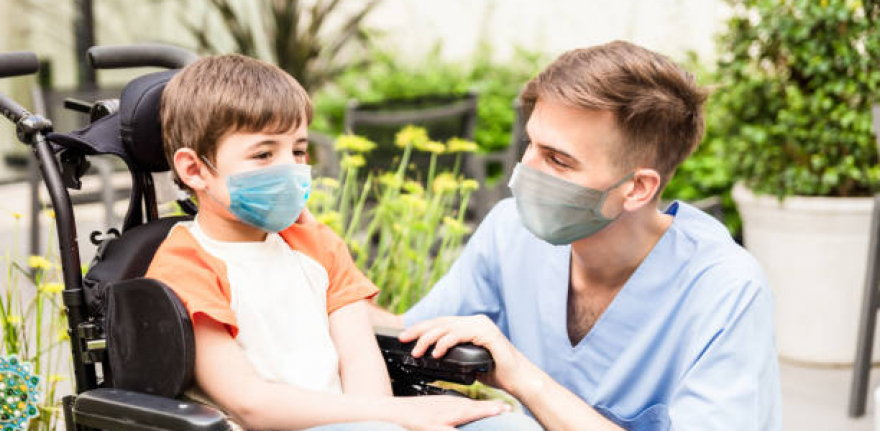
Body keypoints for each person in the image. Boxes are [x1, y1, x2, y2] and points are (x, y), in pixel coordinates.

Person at [371, 40, 782, 430]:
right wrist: (327, 280)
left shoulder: (726, 289)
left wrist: (524, 379)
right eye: (530, 145)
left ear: (637, 188)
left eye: (558, 160)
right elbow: (410, 336)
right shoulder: (510, 230)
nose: (526, 171)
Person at [145, 54, 542, 431]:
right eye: (264, 154)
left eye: (298, 150)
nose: (290, 168)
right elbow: (251, 403)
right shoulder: (187, 264)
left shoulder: (316, 244)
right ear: (195, 169)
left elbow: (360, 358)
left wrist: (389, 418)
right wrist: (399, 413)